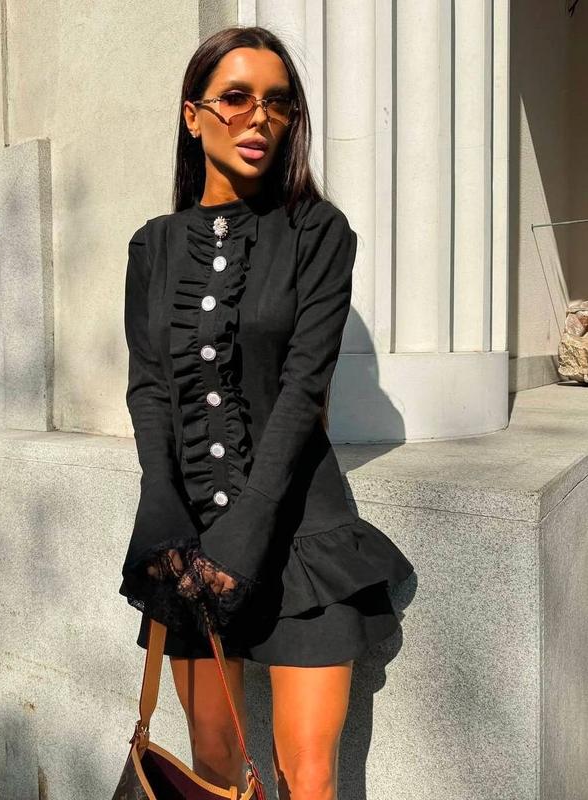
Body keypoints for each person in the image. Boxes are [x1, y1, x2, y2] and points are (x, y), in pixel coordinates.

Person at [118, 25, 415, 800]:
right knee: (213, 766)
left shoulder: (319, 233)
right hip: (188, 539)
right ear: (193, 116)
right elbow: (150, 387)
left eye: (278, 103)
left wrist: (247, 528)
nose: (259, 117)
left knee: (306, 776)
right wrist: (161, 504)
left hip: (301, 539)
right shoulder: (152, 248)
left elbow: (304, 388)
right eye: (236, 97)